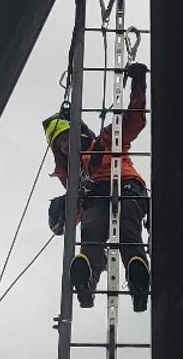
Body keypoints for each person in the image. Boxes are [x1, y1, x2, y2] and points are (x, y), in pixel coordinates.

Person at [43, 62, 151, 312]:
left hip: (127, 189)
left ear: (78, 134)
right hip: (102, 196)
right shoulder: (72, 175)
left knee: (127, 232)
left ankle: (136, 277)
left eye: (66, 139)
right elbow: (79, 210)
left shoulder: (104, 141)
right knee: (92, 233)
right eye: (60, 145)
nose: (65, 146)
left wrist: (139, 84)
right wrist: (63, 215)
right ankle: (87, 279)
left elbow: (133, 121)